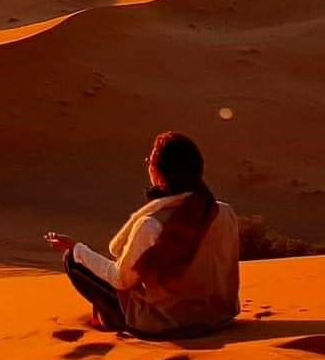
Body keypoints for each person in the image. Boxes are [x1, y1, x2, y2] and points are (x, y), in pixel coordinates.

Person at [44, 131, 240, 336]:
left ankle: (114, 319)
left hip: (168, 323)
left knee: (73, 261)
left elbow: (121, 279)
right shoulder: (224, 212)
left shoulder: (152, 224)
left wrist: (77, 248)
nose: (147, 164)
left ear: (160, 171)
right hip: (220, 316)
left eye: (150, 160)